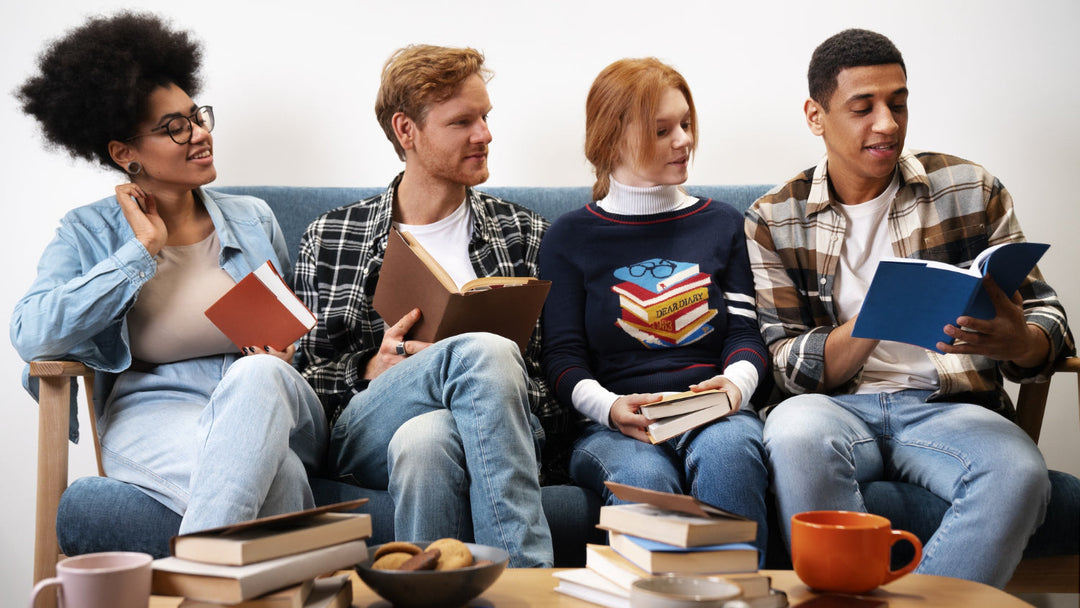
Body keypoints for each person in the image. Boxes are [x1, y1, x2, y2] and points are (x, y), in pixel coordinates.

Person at [744, 28, 1075, 587]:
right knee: (794, 437)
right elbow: (784, 361)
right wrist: (878, 316)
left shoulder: (970, 189)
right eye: (863, 107)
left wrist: (1023, 342)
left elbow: (1048, 318)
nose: (888, 124)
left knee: (1019, 472)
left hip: (950, 407)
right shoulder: (774, 218)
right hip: (835, 408)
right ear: (816, 115)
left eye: (898, 103)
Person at [11, 12, 327, 534]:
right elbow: (31, 334)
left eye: (196, 117)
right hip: (154, 413)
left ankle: (199, 583)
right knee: (281, 476)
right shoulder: (86, 232)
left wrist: (287, 351)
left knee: (261, 373)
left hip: (271, 401)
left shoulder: (254, 218)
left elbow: (292, 331)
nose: (200, 135)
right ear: (124, 153)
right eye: (174, 128)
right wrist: (140, 252)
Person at [293, 44, 559, 568]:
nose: (484, 134)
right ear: (406, 131)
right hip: (367, 429)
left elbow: (555, 388)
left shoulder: (525, 234)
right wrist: (372, 367)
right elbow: (302, 384)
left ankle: (424, 587)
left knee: (428, 440)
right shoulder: (331, 236)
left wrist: (461, 374)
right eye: (462, 121)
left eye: (485, 117)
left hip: (493, 433)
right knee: (481, 350)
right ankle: (526, 581)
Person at [539, 58, 771, 556]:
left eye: (686, 124)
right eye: (663, 130)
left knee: (731, 453)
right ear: (612, 138)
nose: (684, 140)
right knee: (642, 479)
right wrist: (609, 408)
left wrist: (734, 387)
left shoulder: (723, 223)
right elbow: (560, 357)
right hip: (613, 426)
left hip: (714, 414)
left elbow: (745, 336)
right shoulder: (569, 237)